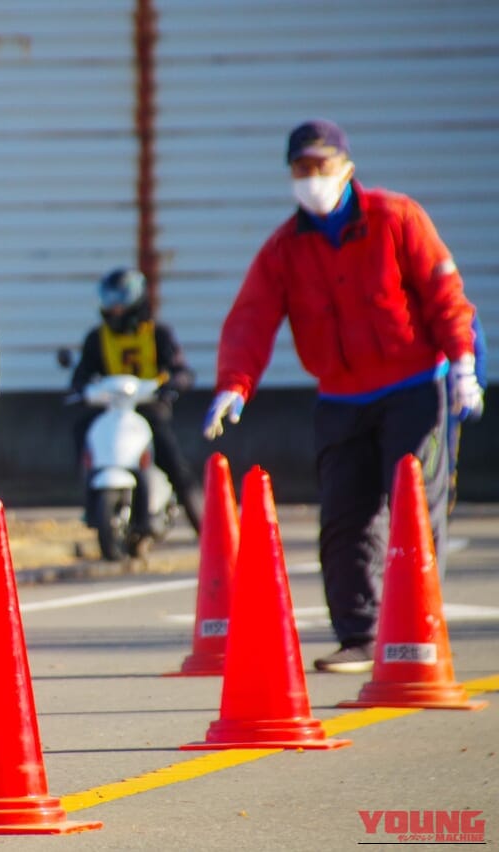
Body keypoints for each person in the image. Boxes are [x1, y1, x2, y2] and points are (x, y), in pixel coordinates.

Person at [203, 119, 482, 674]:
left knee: (411, 508)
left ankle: (417, 628)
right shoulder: (285, 248)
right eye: (300, 169)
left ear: (346, 168)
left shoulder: (396, 218)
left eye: (320, 166)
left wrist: (463, 363)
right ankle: (360, 634)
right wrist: (235, 384)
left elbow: (444, 292)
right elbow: (251, 320)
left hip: (412, 389)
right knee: (344, 518)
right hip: (340, 398)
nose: (311, 179)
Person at [70, 268, 202, 534]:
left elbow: (181, 370)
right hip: (111, 409)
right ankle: (91, 500)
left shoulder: (158, 334)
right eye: (110, 300)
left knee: (171, 458)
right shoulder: (97, 338)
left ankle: (203, 524)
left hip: (148, 406)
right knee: (82, 430)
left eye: (121, 300)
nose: (115, 308)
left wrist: (171, 386)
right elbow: (81, 375)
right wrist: (82, 391)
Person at [447, 314, 487, 511]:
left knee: (446, 466)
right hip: (419, 404)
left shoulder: (463, 314)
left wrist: (473, 388)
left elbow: (477, 354)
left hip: (447, 410)